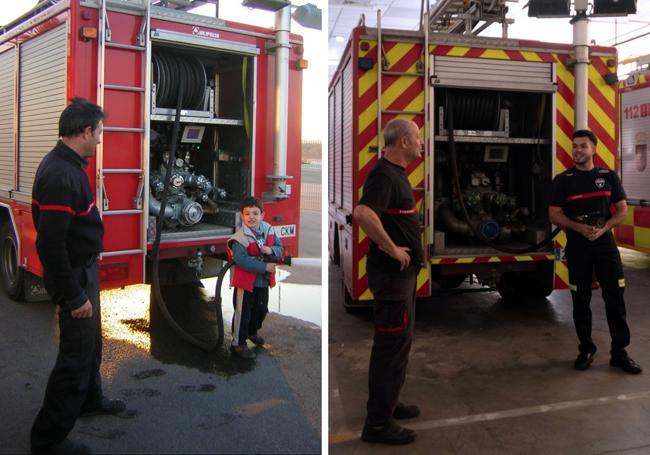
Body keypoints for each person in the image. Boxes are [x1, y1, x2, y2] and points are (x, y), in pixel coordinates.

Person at [30, 98, 125, 455]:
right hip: (73, 277)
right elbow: (51, 246)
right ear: (85, 131)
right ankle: (48, 439)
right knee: (74, 358)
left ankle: (89, 400)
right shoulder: (60, 174)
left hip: (83, 268)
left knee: (92, 346)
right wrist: (74, 297)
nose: (100, 139)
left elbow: (71, 229)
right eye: (99, 132)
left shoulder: (70, 165)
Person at [353, 118, 425, 445]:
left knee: (400, 345)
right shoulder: (384, 175)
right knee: (390, 347)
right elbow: (363, 214)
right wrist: (392, 247)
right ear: (404, 143)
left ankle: (389, 404)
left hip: (401, 279)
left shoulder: (396, 174)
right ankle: (378, 425)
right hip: (392, 277)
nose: (422, 144)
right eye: (418, 138)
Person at [549, 129, 642, 374]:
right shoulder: (563, 180)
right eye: (575, 146)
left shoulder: (608, 176)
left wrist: (605, 228)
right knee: (580, 299)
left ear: (594, 149)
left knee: (615, 298)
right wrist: (579, 227)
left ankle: (619, 354)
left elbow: (621, 210)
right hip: (578, 246)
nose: (578, 150)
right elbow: (554, 213)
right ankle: (586, 350)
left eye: (583, 146)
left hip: (605, 246)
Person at [227, 197, 282, 360]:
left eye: (255, 213)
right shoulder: (240, 238)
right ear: (241, 216)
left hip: (262, 282)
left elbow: (280, 248)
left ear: (262, 215)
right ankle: (238, 344)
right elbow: (241, 260)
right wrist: (264, 267)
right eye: (247, 214)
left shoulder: (269, 230)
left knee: (261, 310)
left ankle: (252, 331)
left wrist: (271, 250)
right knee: (243, 313)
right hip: (245, 284)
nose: (251, 217)